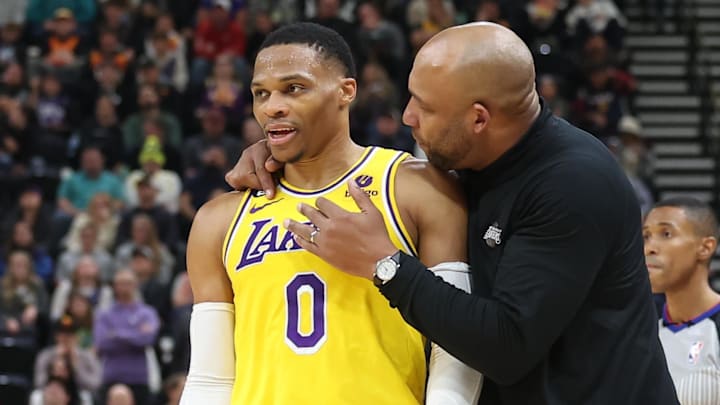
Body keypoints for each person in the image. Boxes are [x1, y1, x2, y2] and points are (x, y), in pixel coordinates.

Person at [226, 22, 679, 404]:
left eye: (424, 106)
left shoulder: (572, 184)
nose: (407, 117)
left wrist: (384, 265)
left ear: (479, 119)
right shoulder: (473, 157)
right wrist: (281, 146)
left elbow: (507, 346)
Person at [180, 22, 482, 404]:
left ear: (346, 91)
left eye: (294, 88)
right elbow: (210, 379)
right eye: (261, 93)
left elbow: (455, 348)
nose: (272, 106)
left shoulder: (416, 188)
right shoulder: (218, 220)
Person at [643, 197, 720, 404]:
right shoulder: (641, 330)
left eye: (666, 234)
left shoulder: (714, 329)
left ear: (705, 247)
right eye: (646, 236)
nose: (649, 248)